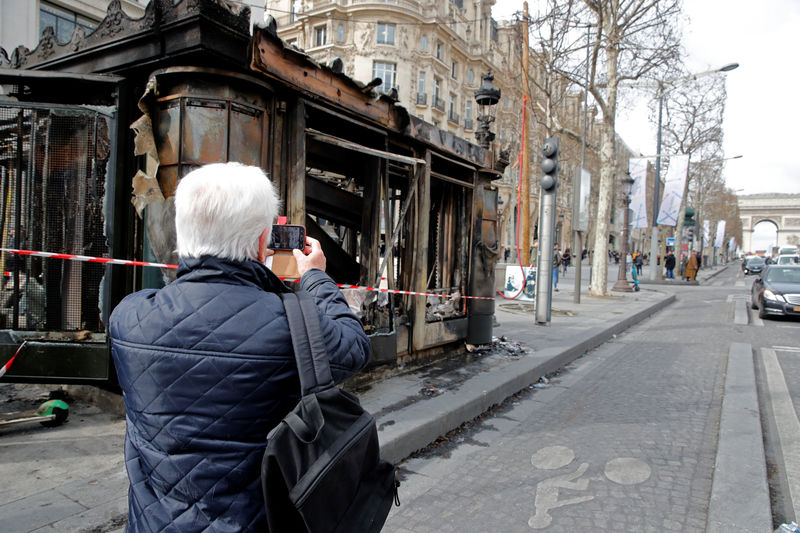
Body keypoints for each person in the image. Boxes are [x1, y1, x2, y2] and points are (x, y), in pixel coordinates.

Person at [109, 163, 370, 533]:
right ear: (264, 240)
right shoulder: (290, 323)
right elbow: (355, 346)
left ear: (182, 231)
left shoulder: (128, 318)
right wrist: (316, 277)